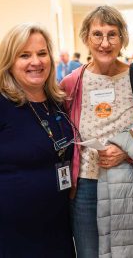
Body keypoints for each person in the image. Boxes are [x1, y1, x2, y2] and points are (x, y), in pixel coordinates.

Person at [61, 6, 133, 258]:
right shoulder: (72, 82)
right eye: (97, 35)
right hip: (86, 186)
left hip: (130, 181)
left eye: (112, 34)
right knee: (89, 253)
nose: (104, 43)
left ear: (122, 39)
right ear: (86, 38)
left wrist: (126, 152)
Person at [0, 23, 76, 257]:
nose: (36, 61)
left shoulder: (58, 101)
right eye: (25, 55)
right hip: (13, 234)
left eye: (42, 53)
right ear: (9, 62)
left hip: (58, 228)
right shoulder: (3, 104)